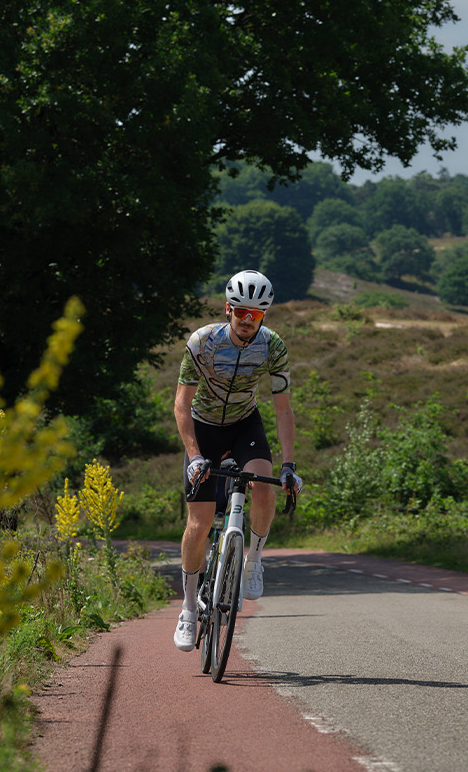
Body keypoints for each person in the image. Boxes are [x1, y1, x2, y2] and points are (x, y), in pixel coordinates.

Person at [172, 270, 304, 651]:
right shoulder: (203, 342)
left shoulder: (272, 346)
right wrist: (196, 456)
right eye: (242, 312)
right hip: (204, 427)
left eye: (257, 315)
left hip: (245, 423)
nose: (248, 321)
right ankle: (188, 609)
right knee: (197, 524)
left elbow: (283, 411)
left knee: (264, 488)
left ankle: (254, 560)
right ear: (228, 308)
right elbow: (181, 404)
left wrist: (289, 465)